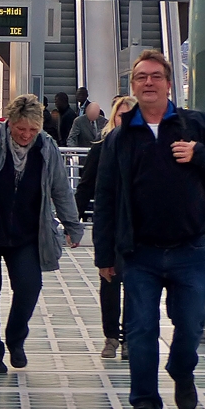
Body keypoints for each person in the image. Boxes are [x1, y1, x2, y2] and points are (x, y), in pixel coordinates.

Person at [94, 50, 205, 409]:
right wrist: (104, 256)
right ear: (133, 86)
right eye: (141, 77)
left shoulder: (197, 125)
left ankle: (181, 368)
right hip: (140, 253)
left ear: (169, 84)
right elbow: (106, 197)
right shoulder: (120, 139)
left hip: (189, 249)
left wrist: (199, 154)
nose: (149, 82)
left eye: (156, 76)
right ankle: (144, 401)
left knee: (190, 324)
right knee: (140, 328)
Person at [0, 94, 85, 374]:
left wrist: (72, 225)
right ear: (9, 122)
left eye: (32, 130)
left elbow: (60, 188)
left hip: (26, 234)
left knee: (29, 286)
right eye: (21, 129)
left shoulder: (46, 147)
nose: (26, 135)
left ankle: (16, 337)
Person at [76, 95, 137, 359]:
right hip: (111, 229)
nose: (125, 121)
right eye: (121, 116)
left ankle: (129, 337)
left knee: (135, 285)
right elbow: (88, 185)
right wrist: (73, 220)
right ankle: (111, 336)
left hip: (137, 231)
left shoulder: (145, 149)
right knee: (110, 281)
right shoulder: (102, 148)